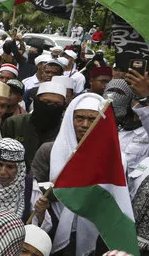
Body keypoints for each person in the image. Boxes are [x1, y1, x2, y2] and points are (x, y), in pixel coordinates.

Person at [39, 93, 107, 255]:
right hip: (52, 220)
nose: (84, 124)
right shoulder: (49, 150)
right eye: (79, 118)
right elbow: (36, 186)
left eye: (92, 119)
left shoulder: (114, 157)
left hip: (96, 228)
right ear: (70, 119)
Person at [2, 82, 67, 172]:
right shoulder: (14, 123)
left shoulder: (66, 130)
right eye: (46, 102)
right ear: (36, 102)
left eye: (56, 104)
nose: (51, 107)